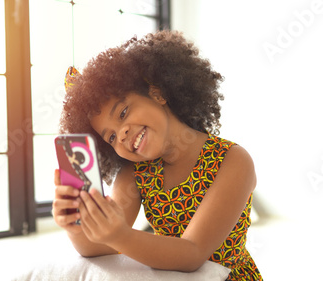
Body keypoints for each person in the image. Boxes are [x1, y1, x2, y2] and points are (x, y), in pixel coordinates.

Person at [52, 30, 263, 281]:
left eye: (123, 113)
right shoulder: (135, 173)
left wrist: (119, 235)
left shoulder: (233, 161)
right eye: (110, 137)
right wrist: (75, 224)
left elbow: (192, 254)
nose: (121, 134)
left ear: (157, 94)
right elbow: (98, 247)